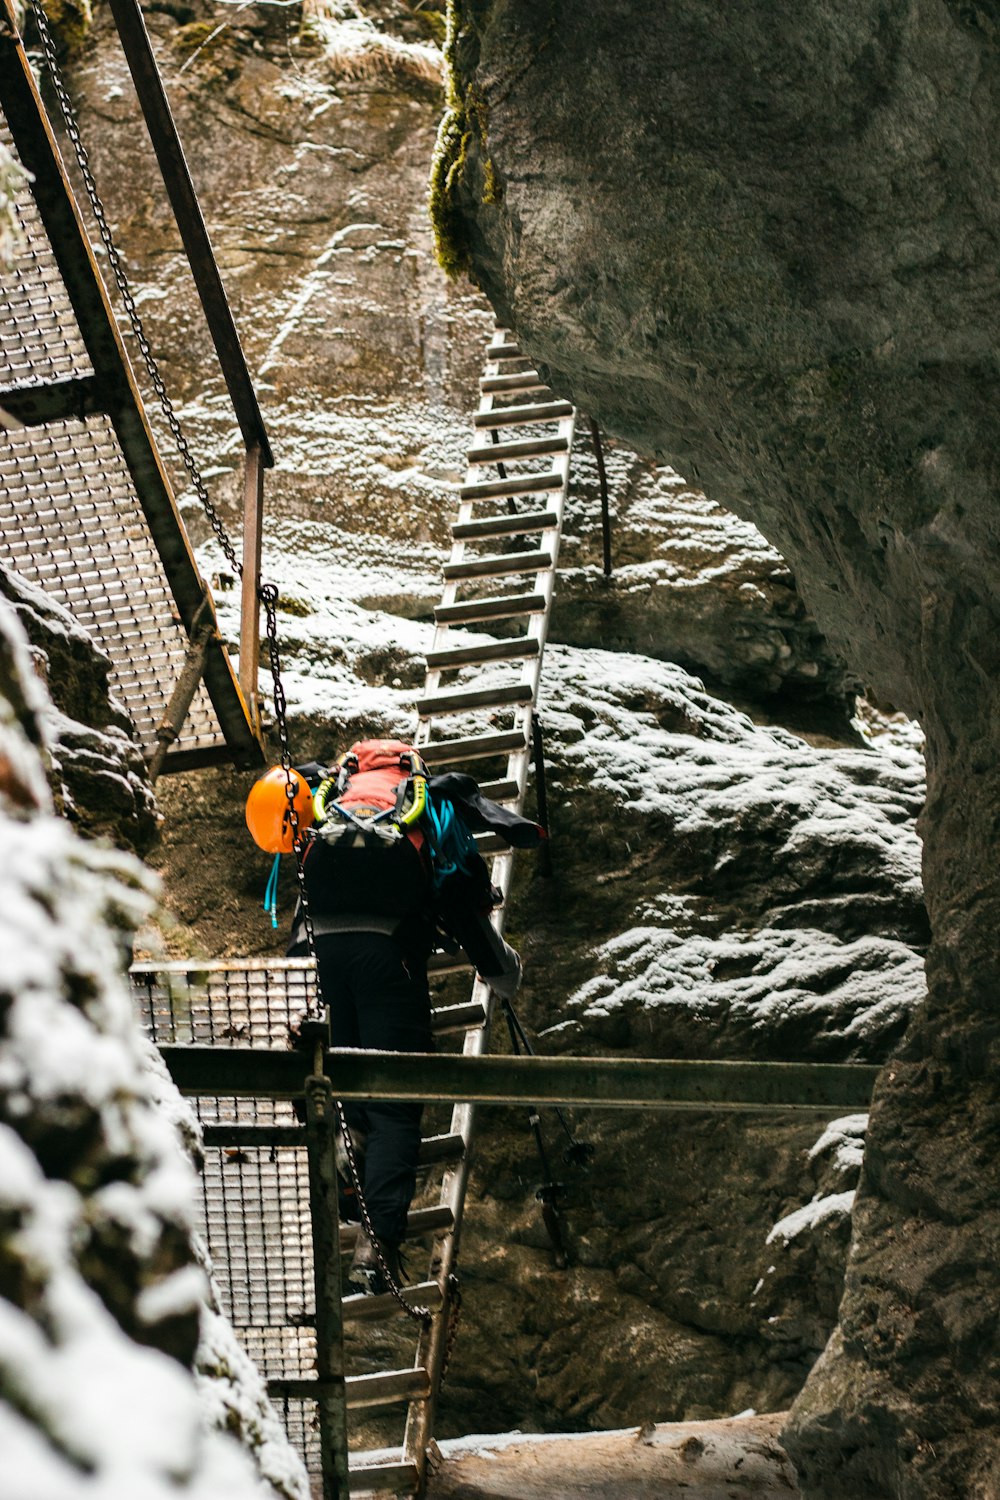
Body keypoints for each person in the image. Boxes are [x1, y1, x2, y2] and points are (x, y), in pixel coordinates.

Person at [284, 740, 542, 1296]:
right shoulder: (423, 806)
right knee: (395, 1109)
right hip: (386, 958)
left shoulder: (328, 800)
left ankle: (327, 1211)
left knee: (339, 1091)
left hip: (314, 960)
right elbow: (461, 899)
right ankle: (374, 1253)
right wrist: (501, 972)